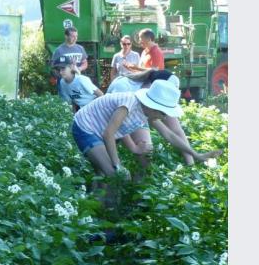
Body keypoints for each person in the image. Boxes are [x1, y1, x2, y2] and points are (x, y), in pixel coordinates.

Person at [71, 80, 221, 199]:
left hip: (101, 128)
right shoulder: (128, 104)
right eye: (164, 113)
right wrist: (118, 166)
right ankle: (109, 220)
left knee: (102, 173)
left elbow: (170, 135)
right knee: (114, 174)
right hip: (86, 127)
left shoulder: (147, 112)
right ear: (153, 106)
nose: (165, 117)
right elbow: (108, 134)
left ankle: (95, 207)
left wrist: (196, 155)